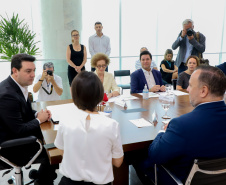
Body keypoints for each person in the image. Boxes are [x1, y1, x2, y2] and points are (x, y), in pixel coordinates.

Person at [133, 66, 226, 185]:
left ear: (203, 91)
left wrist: (162, 132)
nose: (187, 89)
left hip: (178, 179)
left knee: (137, 157)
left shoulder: (182, 125)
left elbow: (155, 155)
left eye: (191, 85)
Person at [54, 71, 124, 185]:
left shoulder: (65, 121)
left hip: (68, 182)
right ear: (100, 95)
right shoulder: (111, 125)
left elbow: (62, 149)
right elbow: (117, 162)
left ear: (74, 95)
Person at [0, 54, 57, 184]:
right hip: (11, 147)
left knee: (53, 138)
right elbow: (19, 130)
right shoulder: (6, 95)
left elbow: (23, 112)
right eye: (28, 71)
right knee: (55, 149)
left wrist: (37, 114)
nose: (33, 75)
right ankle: (43, 180)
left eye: (34, 70)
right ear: (15, 71)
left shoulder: (17, 86)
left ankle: (42, 174)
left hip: (16, 135)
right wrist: (39, 120)